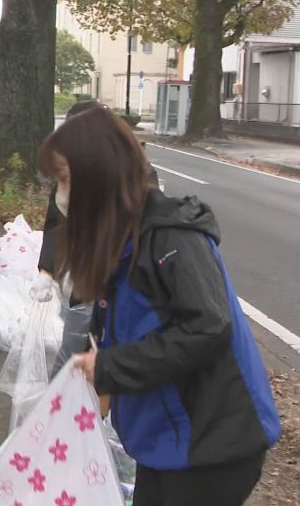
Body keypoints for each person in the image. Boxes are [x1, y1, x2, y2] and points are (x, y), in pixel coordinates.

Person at [38, 105, 281, 506]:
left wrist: (111, 368)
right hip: (166, 442)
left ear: (99, 174)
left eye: (64, 179)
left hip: (211, 445)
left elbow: (209, 327)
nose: (60, 194)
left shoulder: (170, 237)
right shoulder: (124, 243)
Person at [31, 100, 160, 375]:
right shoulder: (74, 174)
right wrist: (47, 270)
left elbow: (199, 332)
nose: (62, 191)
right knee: (75, 349)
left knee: (80, 356)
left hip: (104, 289)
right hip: (85, 282)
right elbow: (57, 224)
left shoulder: (162, 233)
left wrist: (111, 366)